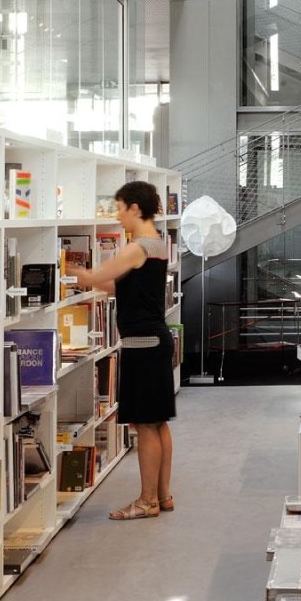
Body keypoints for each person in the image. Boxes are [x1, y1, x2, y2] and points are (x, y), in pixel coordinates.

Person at [73, 181, 175, 520]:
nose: (117, 216)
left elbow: (100, 274)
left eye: (119, 208)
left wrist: (75, 271)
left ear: (134, 208)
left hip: (142, 345)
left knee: (146, 425)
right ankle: (162, 496)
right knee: (157, 423)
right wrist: (90, 278)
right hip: (154, 341)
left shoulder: (137, 248)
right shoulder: (156, 246)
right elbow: (115, 284)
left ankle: (146, 501)